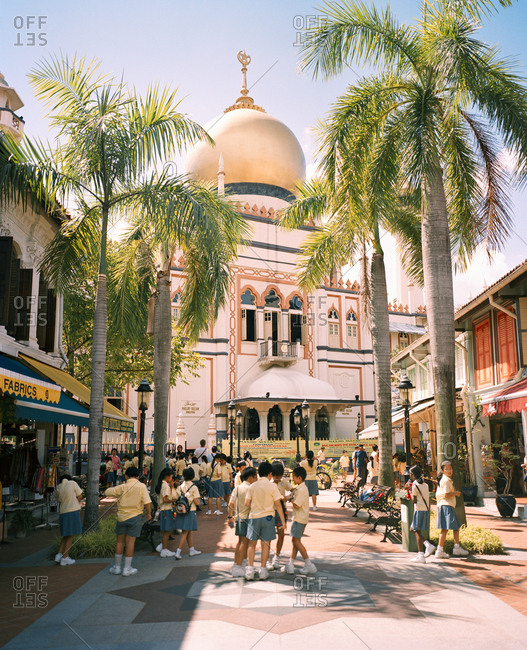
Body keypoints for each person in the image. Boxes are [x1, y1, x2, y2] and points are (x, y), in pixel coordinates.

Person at [106, 466, 152, 576]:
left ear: (126, 476)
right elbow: (147, 502)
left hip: (121, 517)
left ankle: (117, 567)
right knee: (130, 542)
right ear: (137, 476)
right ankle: (127, 569)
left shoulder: (122, 487)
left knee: (120, 542)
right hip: (135, 516)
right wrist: (149, 514)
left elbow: (107, 492)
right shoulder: (142, 486)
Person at [244, 460, 285, 580]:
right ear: (270, 474)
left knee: (252, 544)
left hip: (254, 517)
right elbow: (278, 504)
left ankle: (250, 570)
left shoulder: (252, 486)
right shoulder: (272, 486)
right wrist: (282, 521)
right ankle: (262, 570)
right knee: (265, 544)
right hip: (268, 518)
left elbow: (247, 503)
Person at [282, 466, 317, 575]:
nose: (293, 480)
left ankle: (309, 564)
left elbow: (297, 505)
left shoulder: (302, 490)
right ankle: (291, 564)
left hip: (299, 519)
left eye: (294, 477)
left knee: (296, 542)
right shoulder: (299, 488)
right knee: (295, 542)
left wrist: (290, 499)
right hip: (299, 518)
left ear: (300, 478)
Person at [435, 460, 469, 559]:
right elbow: (446, 494)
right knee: (447, 529)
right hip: (446, 506)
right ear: (442, 470)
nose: (449, 470)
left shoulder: (446, 479)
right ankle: (443, 550)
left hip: (446, 506)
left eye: (450, 469)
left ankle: (453, 548)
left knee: (453, 527)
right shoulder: (445, 480)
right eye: (446, 469)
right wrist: (456, 493)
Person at [228, 466, 258, 577]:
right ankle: (238, 567)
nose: (256, 479)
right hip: (248, 518)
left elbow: (230, 505)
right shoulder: (251, 489)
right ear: (250, 477)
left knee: (240, 542)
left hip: (239, 518)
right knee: (245, 543)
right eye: (255, 477)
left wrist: (229, 517)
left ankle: (237, 563)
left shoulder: (237, 488)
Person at [268, 462, 292, 570]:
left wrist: (287, 497)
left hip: (281, 511)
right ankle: (267, 557)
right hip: (269, 511)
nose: (278, 479)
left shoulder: (284, 482)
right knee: (267, 535)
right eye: (276, 477)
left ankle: (276, 556)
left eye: (280, 476)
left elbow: (293, 490)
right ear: (271, 474)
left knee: (281, 533)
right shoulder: (268, 482)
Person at [55, 474, 83, 566]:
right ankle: (65, 557)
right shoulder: (73, 483)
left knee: (65, 535)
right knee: (71, 535)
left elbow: (59, 500)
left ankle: (59, 555)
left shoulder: (58, 487)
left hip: (63, 512)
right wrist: (76, 503)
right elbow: (80, 496)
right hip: (72, 511)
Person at [174, 467, 202, 559]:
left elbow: (176, 497)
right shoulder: (194, 487)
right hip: (190, 511)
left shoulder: (180, 486)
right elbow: (197, 502)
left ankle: (191, 549)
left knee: (188, 531)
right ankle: (178, 551)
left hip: (181, 511)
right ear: (193, 476)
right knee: (185, 532)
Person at [409, 465, 435, 563]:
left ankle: (421, 555)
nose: (410, 475)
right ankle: (428, 545)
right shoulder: (425, 484)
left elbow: (414, 500)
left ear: (413, 475)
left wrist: (411, 494)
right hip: (424, 509)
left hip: (418, 509)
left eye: (411, 474)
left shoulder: (415, 484)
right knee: (413, 529)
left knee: (416, 530)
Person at [155, 468, 176, 557]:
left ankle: (162, 546)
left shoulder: (163, 484)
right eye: (171, 476)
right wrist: (174, 500)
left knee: (166, 530)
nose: (172, 478)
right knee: (167, 531)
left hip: (161, 510)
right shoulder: (165, 486)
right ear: (168, 476)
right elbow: (165, 499)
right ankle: (164, 550)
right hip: (166, 510)